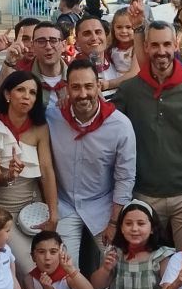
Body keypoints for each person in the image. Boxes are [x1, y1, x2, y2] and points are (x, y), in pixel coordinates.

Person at [114, 22, 182, 248]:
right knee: (145, 262)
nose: (161, 51)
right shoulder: (129, 91)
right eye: (154, 45)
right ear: (145, 47)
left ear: (176, 44)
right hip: (144, 194)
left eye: (166, 44)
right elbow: (109, 130)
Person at [46, 59, 136, 272]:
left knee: (118, 267)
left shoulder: (120, 125)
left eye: (88, 86)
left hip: (102, 206)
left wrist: (114, 222)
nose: (83, 93)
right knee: (64, 271)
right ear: (67, 89)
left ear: (98, 86)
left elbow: (125, 178)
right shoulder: (52, 117)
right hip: (65, 205)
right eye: (76, 87)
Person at [0, 70, 61, 275]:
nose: (27, 96)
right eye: (20, 90)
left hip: (35, 208)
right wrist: (9, 175)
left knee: (56, 261)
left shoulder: (39, 128)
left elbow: (46, 170)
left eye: (33, 92)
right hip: (3, 211)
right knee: (31, 268)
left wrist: (53, 214)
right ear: (8, 95)